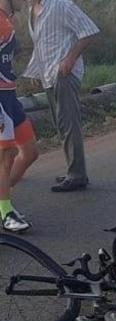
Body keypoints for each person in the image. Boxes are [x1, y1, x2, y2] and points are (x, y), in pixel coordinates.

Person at [24, 0, 98, 192]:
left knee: (68, 122)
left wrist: (70, 59)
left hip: (64, 73)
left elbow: (88, 31)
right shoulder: (32, 10)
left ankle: (77, 176)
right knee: (61, 123)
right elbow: (42, 44)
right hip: (48, 74)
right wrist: (35, 71)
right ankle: (73, 171)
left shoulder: (61, 5)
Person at [0, 0, 39, 232]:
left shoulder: (7, 19)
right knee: (5, 155)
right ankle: (6, 211)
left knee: (30, 151)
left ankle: (3, 198)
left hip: (10, 95)